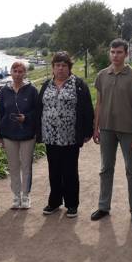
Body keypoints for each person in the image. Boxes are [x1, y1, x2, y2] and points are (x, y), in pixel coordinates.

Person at [91, 39, 132, 225]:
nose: (115, 55)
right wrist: (95, 127)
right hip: (106, 128)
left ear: (126, 54)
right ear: (109, 53)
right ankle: (103, 206)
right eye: (113, 52)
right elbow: (99, 103)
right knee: (106, 168)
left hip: (128, 130)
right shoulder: (102, 75)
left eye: (119, 52)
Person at [37, 51, 94, 218]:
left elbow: (87, 110)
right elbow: (40, 109)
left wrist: (87, 131)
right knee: (54, 170)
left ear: (69, 67)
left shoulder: (78, 85)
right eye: (57, 65)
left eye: (64, 65)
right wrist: (38, 131)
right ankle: (54, 202)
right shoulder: (46, 84)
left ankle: (72, 204)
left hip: (70, 136)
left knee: (70, 171)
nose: (60, 68)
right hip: (50, 136)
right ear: (53, 68)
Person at [0, 61, 38, 209]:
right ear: (11, 72)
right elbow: (0, 113)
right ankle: (16, 195)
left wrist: (26, 118)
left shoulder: (32, 90)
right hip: (9, 134)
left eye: (21, 71)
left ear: (25, 73)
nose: (17, 74)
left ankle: (26, 195)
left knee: (26, 166)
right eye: (15, 71)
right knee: (13, 166)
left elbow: (38, 111)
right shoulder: (4, 91)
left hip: (27, 134)